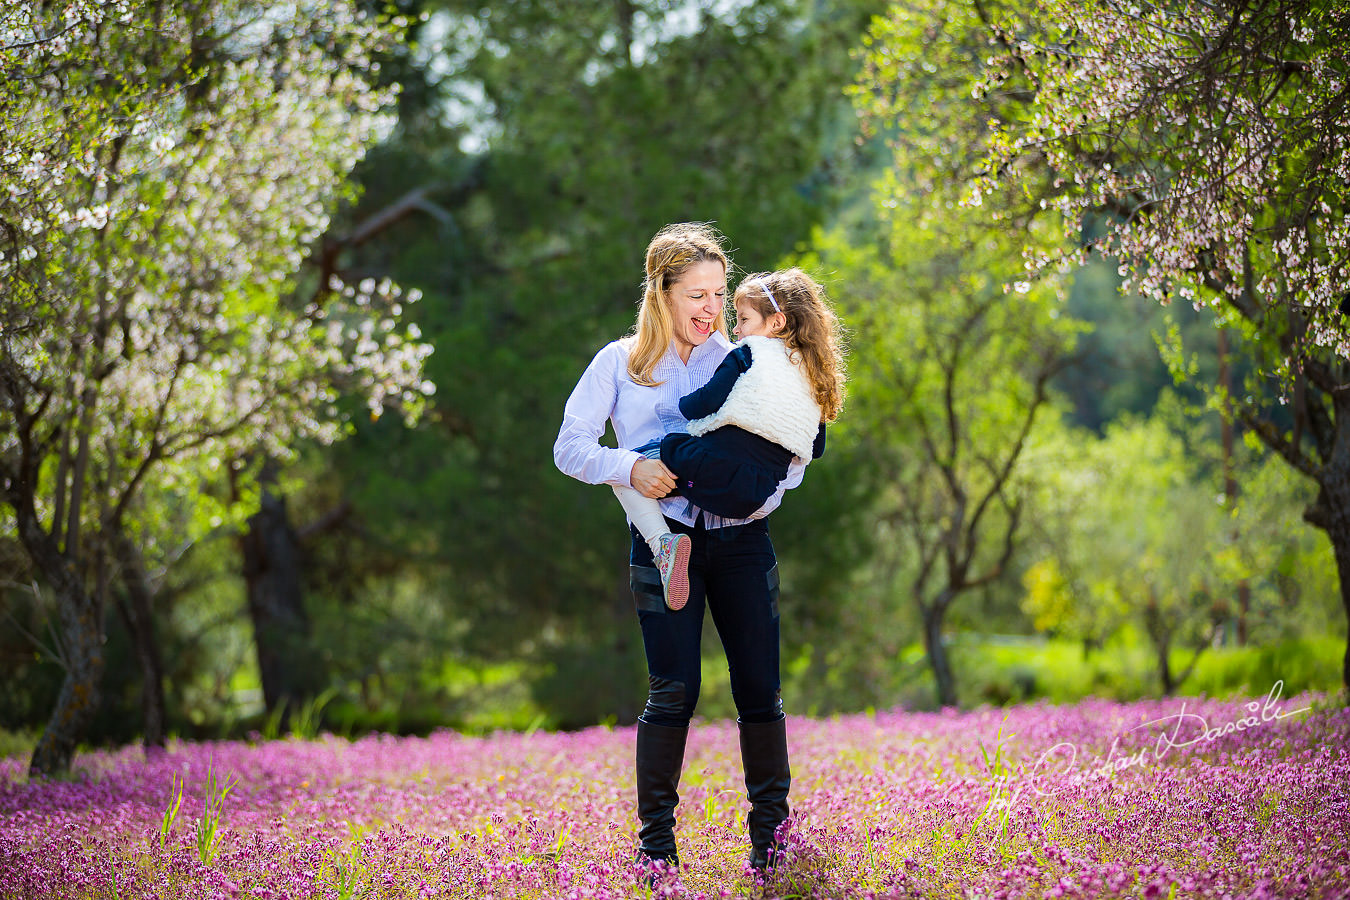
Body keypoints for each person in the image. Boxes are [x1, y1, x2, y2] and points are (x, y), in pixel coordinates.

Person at [552, 223, 846, 878]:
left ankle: (770, 845)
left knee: (759, 692)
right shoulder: (618, 364)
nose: (712, 309)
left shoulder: (745, 355)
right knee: (673, 691)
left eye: (719, 294)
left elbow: (794, 451)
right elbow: (569, 448)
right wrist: (629, 468)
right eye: (697, 295)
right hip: (664, 543)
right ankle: (655, 848)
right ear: (660, 293)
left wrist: (757, 499)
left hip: (743, 544)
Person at [611, 267, 841, 611]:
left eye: (744, 319)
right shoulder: (814, 378)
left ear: (775, 323)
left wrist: (683, 403)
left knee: (629, 468)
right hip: (753, 498)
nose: (735, 329)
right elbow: (815, 448)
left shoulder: (748, 355)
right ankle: (675, 524)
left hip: (712, 471)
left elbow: (698, 406)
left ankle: (663, 546)